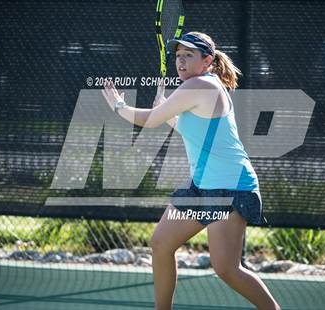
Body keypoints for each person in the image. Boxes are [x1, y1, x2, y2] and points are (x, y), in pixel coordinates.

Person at [102, 31, 281, 310]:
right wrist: (167, 113)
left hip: (231, 187)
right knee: (161, 244)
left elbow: (148, 121)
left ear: (207, 60)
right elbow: (188, 128)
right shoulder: (200, 86)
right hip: (203, 187)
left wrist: (118, 105)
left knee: (226, 269)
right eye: (178, 56)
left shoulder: (201, 86)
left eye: (189, 55)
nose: (181, 62)